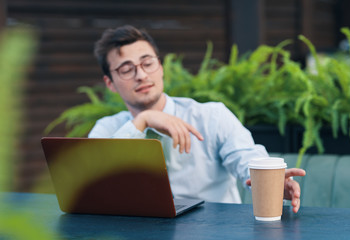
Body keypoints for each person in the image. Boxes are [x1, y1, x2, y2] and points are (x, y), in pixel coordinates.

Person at [89, 25, 306, 213]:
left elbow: (245, 156)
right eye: (127, 69)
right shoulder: (106, 129)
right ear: (110, 83)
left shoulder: (211, 116)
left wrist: (270, 180)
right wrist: (142, 121)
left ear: (160, 67)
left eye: (147, 63)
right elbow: (94, 188)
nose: (141, 75)